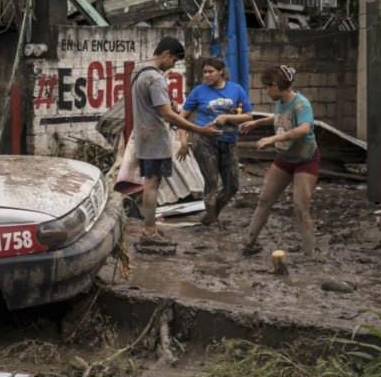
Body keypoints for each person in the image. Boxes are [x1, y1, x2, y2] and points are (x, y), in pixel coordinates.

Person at [130, 37, 221, 247]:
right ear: (166, 55)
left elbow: (158, 107)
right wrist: (199, 129)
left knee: (151, 182)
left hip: (144, 135)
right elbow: (167, 114)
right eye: (173, 61)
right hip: (154, 138)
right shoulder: (155, 78)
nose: (172, 66)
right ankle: (149, 231)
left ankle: (150, 228)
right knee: (152, 183)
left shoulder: (139, 73)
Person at [232, 65, 320, 257]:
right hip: (285, 158)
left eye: (266, 87)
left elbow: (304, 128)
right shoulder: (281, 101)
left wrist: (273, 139)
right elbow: (279, 117)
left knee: (300, 207)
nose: (266, 91)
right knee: (264, 200)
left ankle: (310, 254)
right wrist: (257, 122)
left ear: (274, 85)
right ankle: (249, 243)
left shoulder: (301, 104)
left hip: (305, 160)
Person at [177, 57, 251, 226]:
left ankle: (211, 215)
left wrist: (227, 117)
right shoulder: (198, 91)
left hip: (229, 141)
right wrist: (183, 141)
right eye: (205, 72)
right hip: (204, 141)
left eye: (211, 72)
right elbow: (181, 118)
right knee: (211, 182)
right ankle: (212, 220)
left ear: (221, 72)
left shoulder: (236, 90)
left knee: (232, 186)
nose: (207, 75)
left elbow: (248, 116)